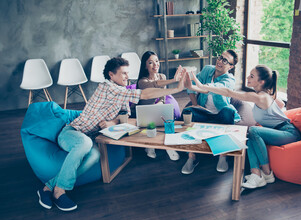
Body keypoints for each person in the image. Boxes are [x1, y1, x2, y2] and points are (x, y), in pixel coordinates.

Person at [37, 57, 186, 211]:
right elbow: (144, 94)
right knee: (85, 144)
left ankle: (47, 187)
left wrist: (112, 122)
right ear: (111, 75)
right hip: (72, 133)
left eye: (128, 73)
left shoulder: (122, 91)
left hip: (89, 136)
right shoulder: (108, 87)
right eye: (123, 73)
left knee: (95, 156)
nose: (127, 76)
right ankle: (59, 190)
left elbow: (124, 113)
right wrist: (176, 89)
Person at [185, 64, 301, 189]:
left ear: (261, 82)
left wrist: (203, 86)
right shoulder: (265, 95)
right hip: (280, 131)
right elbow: (279, 104)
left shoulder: (260, 97)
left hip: (288, 133)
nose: (248, 77)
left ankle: (267, 173)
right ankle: (256, 173)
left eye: (252, 76)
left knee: (253, 130)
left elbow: (229, 92)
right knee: (250, 134)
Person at [181, 49, 241, 175]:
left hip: (220, 115)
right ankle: (192, 156)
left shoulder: (230, 80)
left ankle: (223, 155)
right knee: (188, 112)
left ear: (231, 66)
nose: (220, 61)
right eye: (220, 57)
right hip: (204, 112)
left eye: (225, 61)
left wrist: (196, 85)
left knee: (228, 111)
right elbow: (191, 85)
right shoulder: (208, 69)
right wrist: (195, 104)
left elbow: (211, 89)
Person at [136, 51, 181, 161]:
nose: (155, 64)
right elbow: (154, 85)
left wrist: (160, 106)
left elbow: (162, 96)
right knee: (152, 123)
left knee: (167, 120)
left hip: (157, 108)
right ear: (145, 66)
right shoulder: (142, 81)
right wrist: (173, 80)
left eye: (156, 61)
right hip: (145, 111)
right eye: (151, 62)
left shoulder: (162, 76)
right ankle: (150, 146)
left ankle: (168, 147)